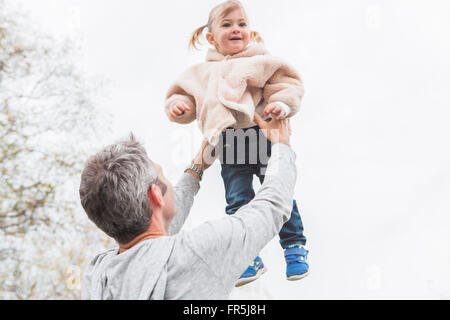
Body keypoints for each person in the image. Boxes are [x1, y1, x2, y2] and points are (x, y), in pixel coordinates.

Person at [165, 0, 308, 286]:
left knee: (277, 191)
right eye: (227, 25)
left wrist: (280, 103)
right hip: (228, 141)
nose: (236, 30)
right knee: (237, 198)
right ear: (211, 36)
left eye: (242, 24)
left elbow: (288, 83)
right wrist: (178, 105)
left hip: (260, 133)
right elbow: (186, 95)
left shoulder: (259, 61)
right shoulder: (201, 73)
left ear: (251, 32)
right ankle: (247, 257)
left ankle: (294, 246)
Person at [79, 113, 297, 300]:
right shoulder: (198, 251)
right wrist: (281, 145)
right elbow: (272, 205)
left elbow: (156, 235)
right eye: (162, 176)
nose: (168, 183)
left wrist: (197, 167)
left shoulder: (98, 275)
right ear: (156, 194)